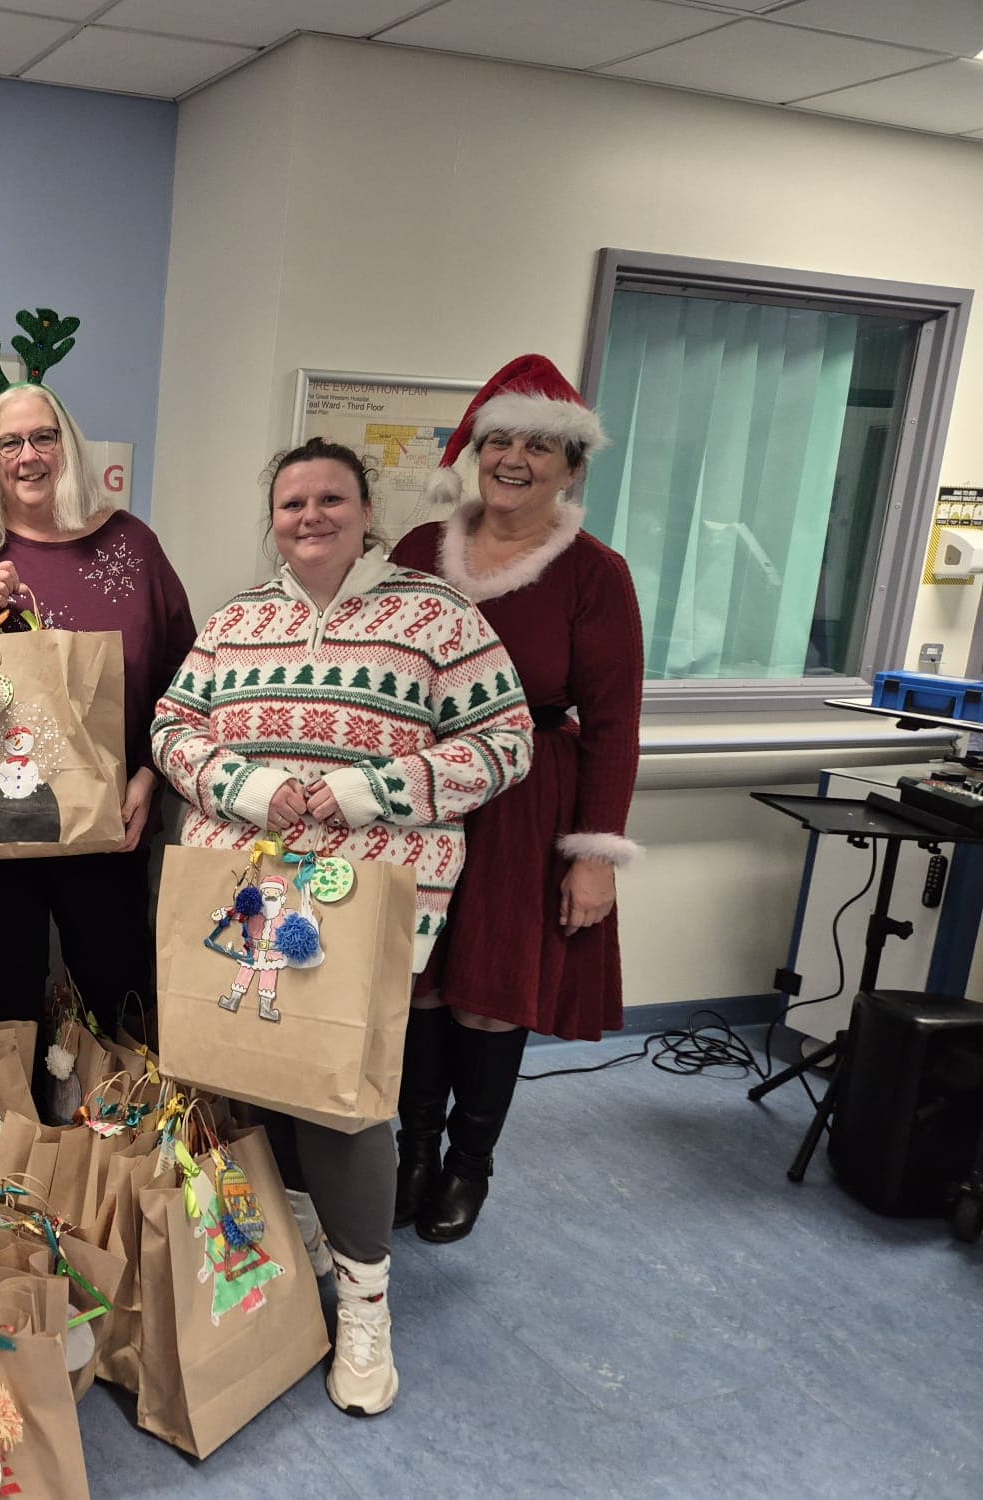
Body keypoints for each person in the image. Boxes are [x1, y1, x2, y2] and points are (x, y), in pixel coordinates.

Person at [151, 436, 532, 1417]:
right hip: (238, 893)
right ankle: (285, 1258)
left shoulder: (434, 614)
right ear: (271, 518)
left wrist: (367, 792)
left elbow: (505, 741)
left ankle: (364, 1310)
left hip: (360, 903)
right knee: (243, 1088)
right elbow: (169, 727)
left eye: (329, 499)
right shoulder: (237, 619)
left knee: (342, 1101)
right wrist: (253, 785)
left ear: (365, 511)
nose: (309, 516)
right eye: (291, 503)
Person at [390, 355, 644, 1243]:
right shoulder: (419, 552)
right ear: (474, 448)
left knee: (489, 990)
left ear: (572, 467)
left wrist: (595, 855)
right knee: (416, 979)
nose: (514, 458)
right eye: (500, 438)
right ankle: (411, 1150)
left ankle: (469, 1164)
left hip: (528, 805)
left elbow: (614, 725)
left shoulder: (593, 574)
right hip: (422, 792)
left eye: (541, 446)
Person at [0, 382, 194, 1037]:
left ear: (68, 447)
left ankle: (113, 1137)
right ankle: (24, 1136)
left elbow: (184, 680)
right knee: (6, 1003)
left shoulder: (131, 545)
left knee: (116, 994)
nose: (28, 455)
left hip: (110, 817)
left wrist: (150, 776)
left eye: (43, 437)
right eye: (9, 442)